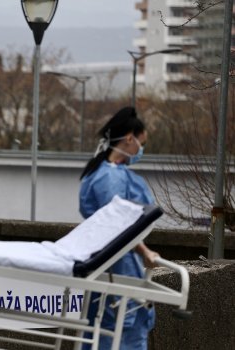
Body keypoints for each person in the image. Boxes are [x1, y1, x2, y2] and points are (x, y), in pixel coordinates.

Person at [78, 106, 160, 350]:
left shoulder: (103, 173)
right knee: (120, 328)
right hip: (118, 264)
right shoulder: (110, 178)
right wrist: (145, 252)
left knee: (108, 327)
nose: (141, 150)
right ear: (129, 138)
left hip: (111, 262)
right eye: (141, 143)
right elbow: (119, 227)